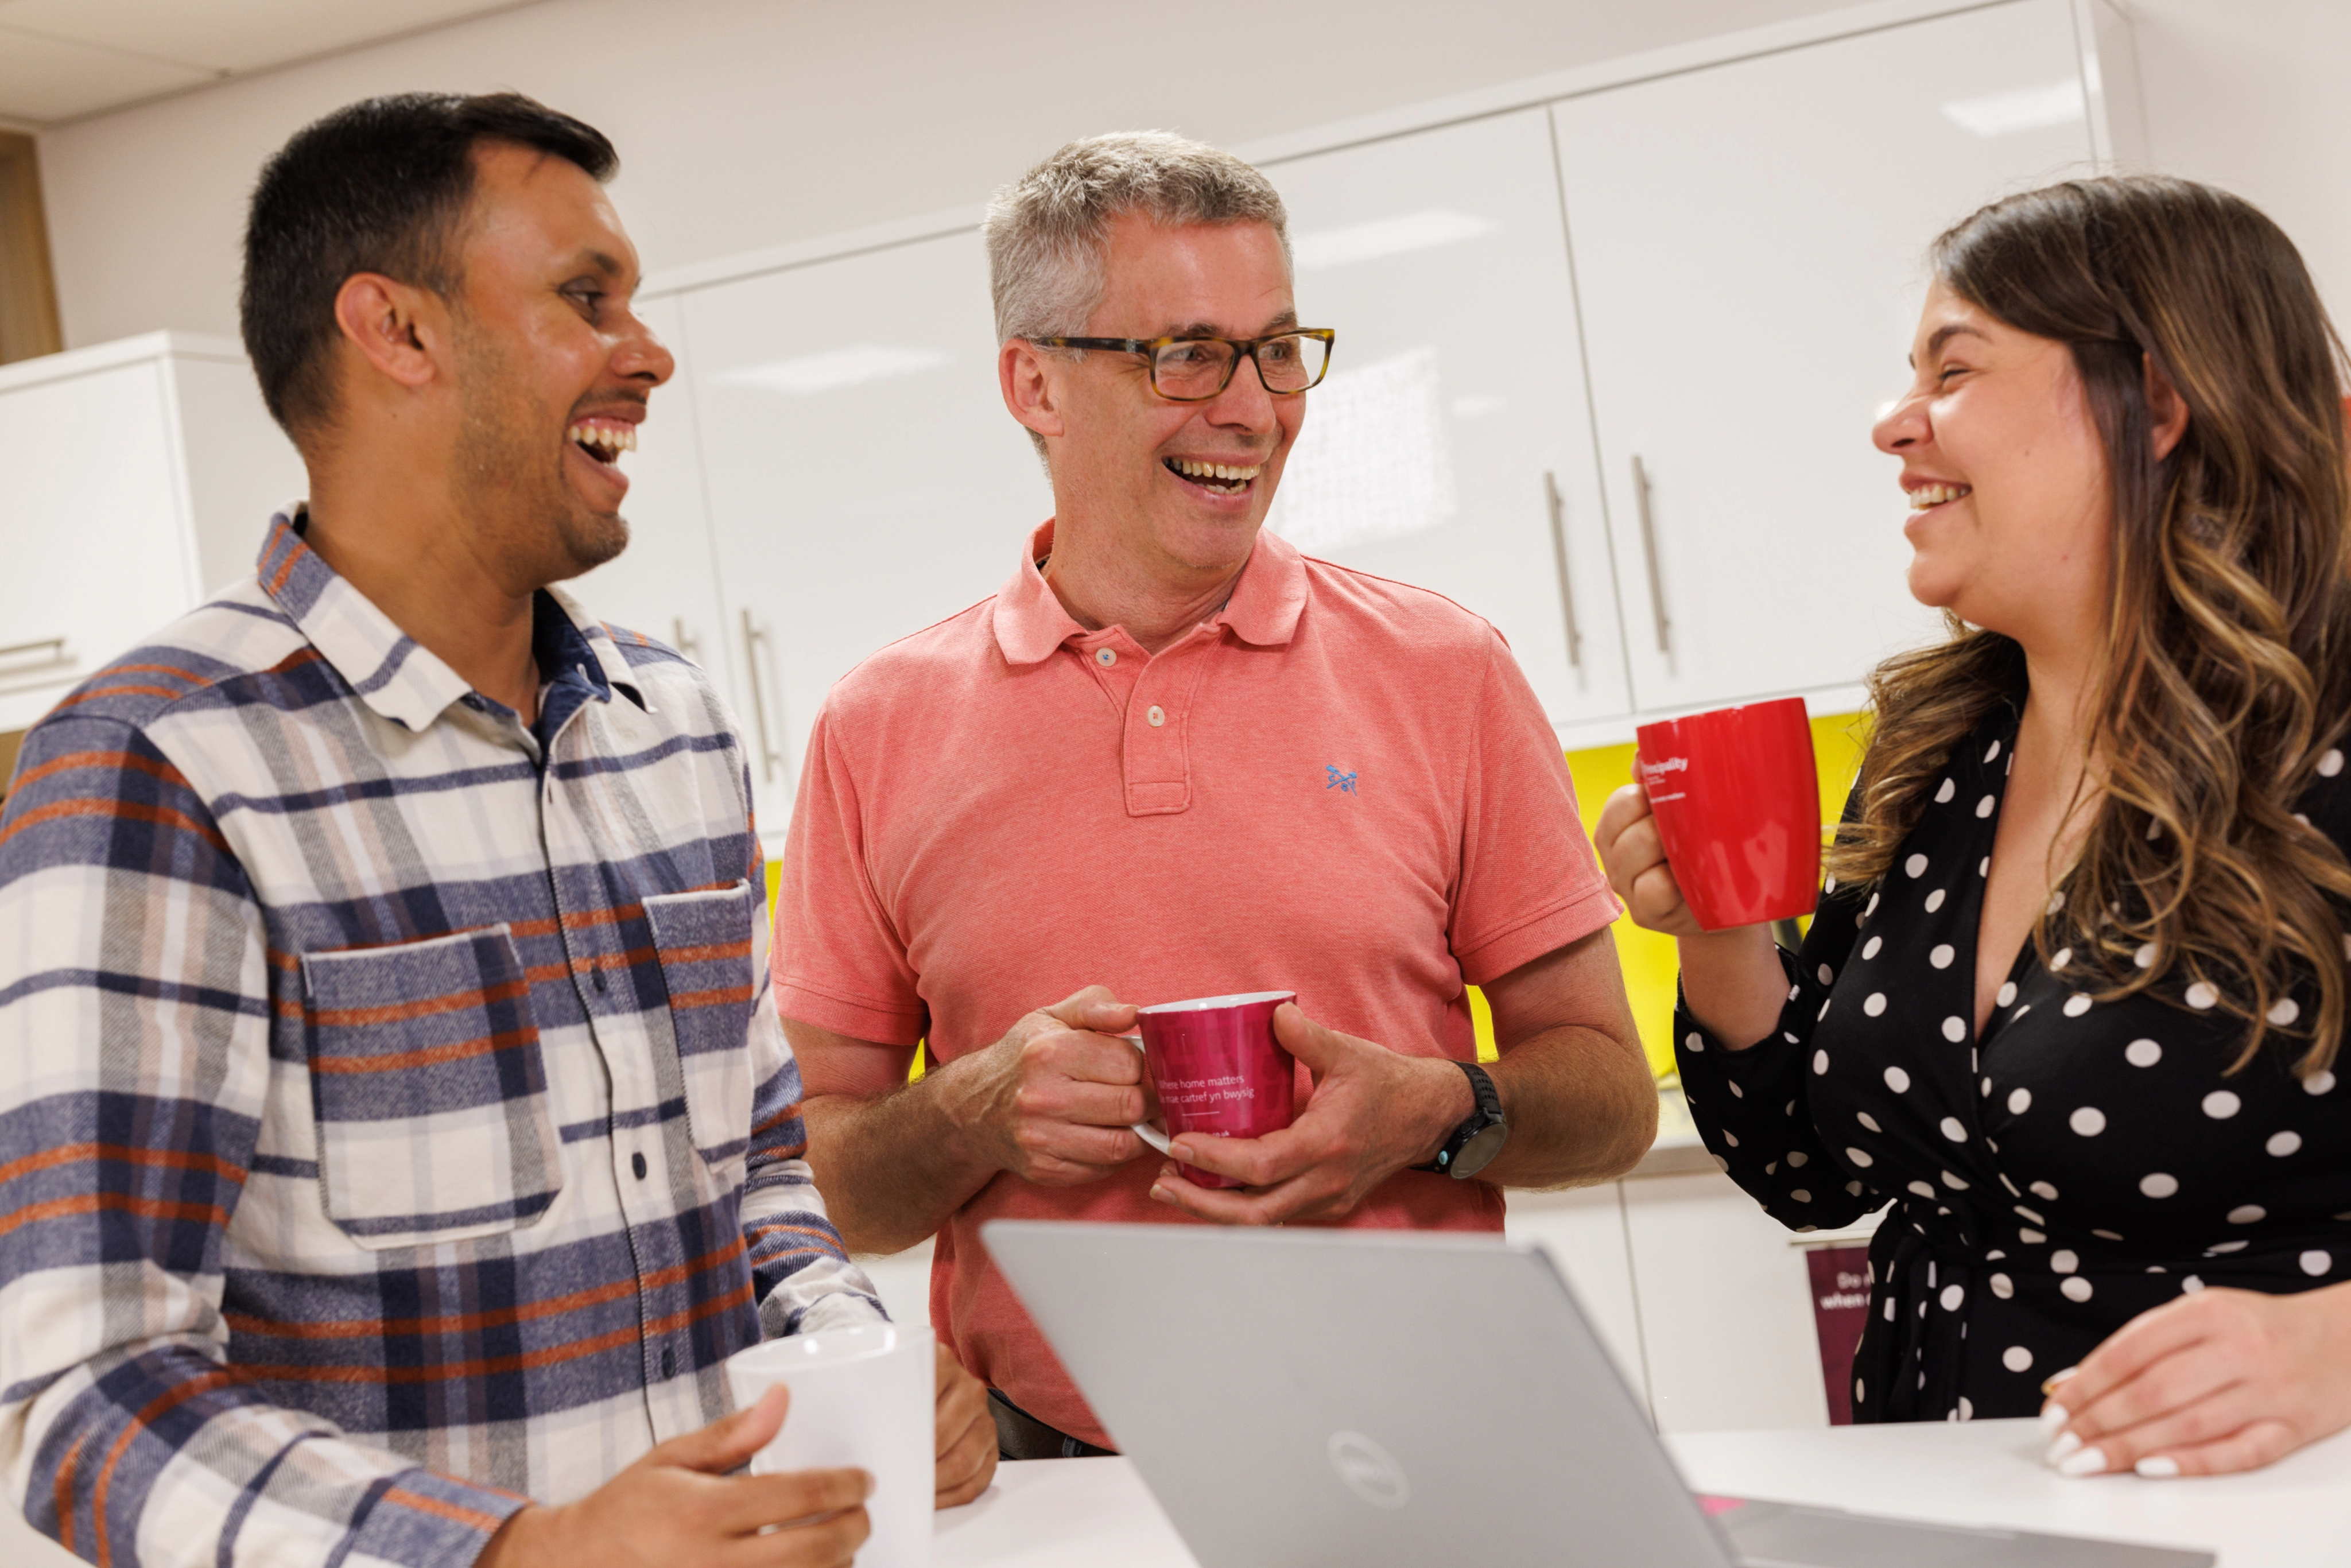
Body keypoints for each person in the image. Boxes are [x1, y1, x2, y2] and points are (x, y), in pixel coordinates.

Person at [0, 93, 992, 1568]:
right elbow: (88, 1397)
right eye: (586, 299)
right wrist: (520, 1550)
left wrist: (851, 1363)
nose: (648, 353)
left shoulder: (673, 724)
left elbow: (761, 1174)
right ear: (396, 331)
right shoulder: (159, 764)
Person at [773, 130, 1655, 1460]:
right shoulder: (874, 728)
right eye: (1184, 353)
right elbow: (818, 1185)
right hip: (1050, 1466)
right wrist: (967, 1111)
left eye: (1277, 348)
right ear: (1035, 385)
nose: (1251, 407)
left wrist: (1440, 1110)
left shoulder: (1446, 670)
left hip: (1426, 1444)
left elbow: (1609, 1096)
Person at [1596, 175, 2351, 1476]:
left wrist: (2334, 1347)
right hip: (1958, 1492)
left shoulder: (2323, 746)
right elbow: (1809, 1174)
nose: (1893, 425)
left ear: (2155, 406)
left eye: (1953, 370)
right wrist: (1716, 930)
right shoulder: (1939, 750)